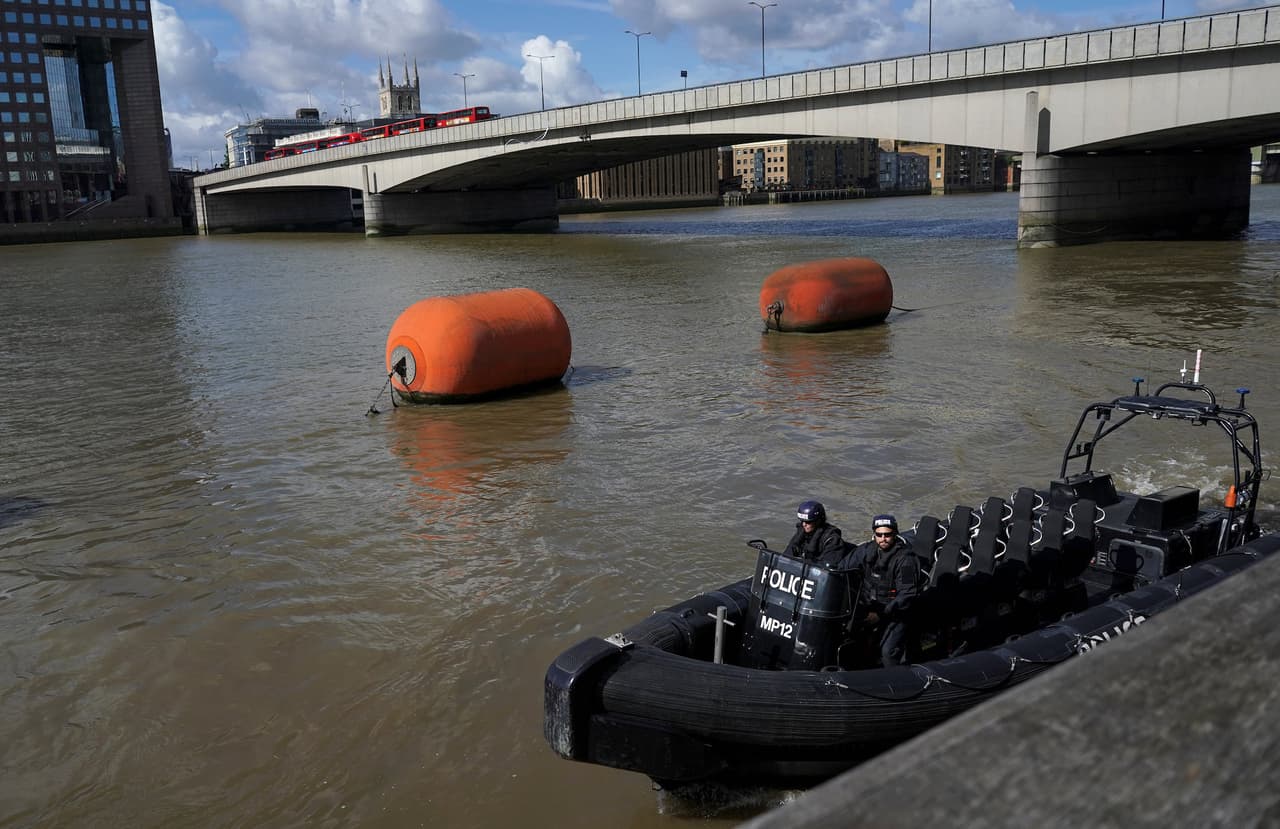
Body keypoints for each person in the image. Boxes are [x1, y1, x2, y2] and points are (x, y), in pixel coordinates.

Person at [845, 514, 923, 667]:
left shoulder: (905, 559)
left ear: (894, 534)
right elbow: (843, 567)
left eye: (887, 535)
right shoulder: (866, 551)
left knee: (888, 651)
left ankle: (896, 681)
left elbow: (907, 595)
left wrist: (881, 614)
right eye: (879, 535)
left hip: (896, 612)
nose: (883, 539)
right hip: (869, 607)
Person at [783, 500, 845, 566]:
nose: (804, 524)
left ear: (819, 521)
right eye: (802, 521)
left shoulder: (832, 539)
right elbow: (786, 557)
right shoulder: (801, 534)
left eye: (808, 522)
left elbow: (828, 566)